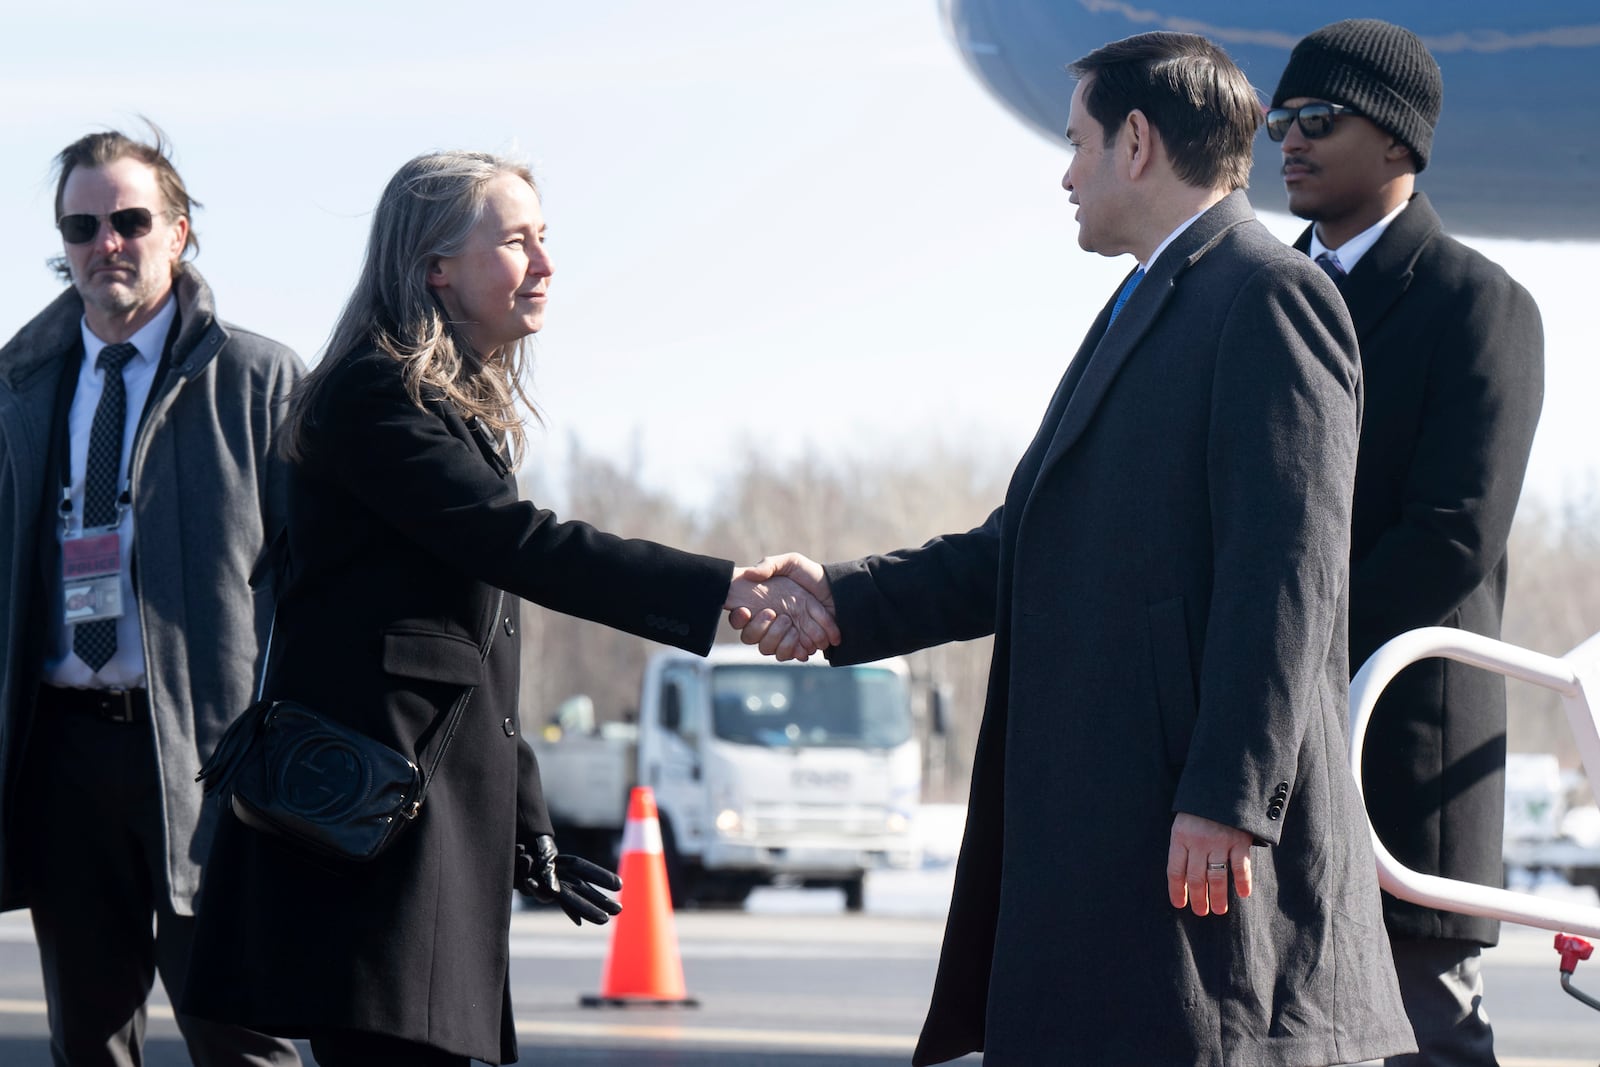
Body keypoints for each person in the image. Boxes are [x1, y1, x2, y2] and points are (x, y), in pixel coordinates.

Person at [735, 32, 1416, 1067]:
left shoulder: (1267, 294)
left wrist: (1228, 794)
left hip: (1193, 853)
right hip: (1109, 850)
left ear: (1136, 142)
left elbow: (1287, 575)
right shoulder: (1154, 296)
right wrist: (845, 598)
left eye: (1079, 142)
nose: (1066, 173)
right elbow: (1032, 542)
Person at [180, 150, 835, 1067]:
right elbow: (518, 544)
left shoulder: (444, 406)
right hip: (373, 833)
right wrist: (721, 587)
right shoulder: (374, 396)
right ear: (435, 267)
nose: (547, 263)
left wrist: (529, 822)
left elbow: (473, 650)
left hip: (423, 822)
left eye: (544, 238)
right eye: (518, 241)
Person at [1270, 19, 1545, 1064]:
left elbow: (1450, 536)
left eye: (1316, 121)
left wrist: (1279, 651)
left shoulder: (1478, 306)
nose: (1286, 142)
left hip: (1394, 748)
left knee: (1417, 1038)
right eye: (1277, 123)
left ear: (1396, 141)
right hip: (1255, 757)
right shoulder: (1250, 299)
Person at [0, 128, 304, 1066]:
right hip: (64, 751)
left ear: (180, 233)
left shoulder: (259, 381)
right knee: (86, 1043)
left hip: (208, 763)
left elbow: (312, 578)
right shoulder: (20, 384)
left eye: (130, 220)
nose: (107, 244)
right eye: (82, 226)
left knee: (238, 1035)